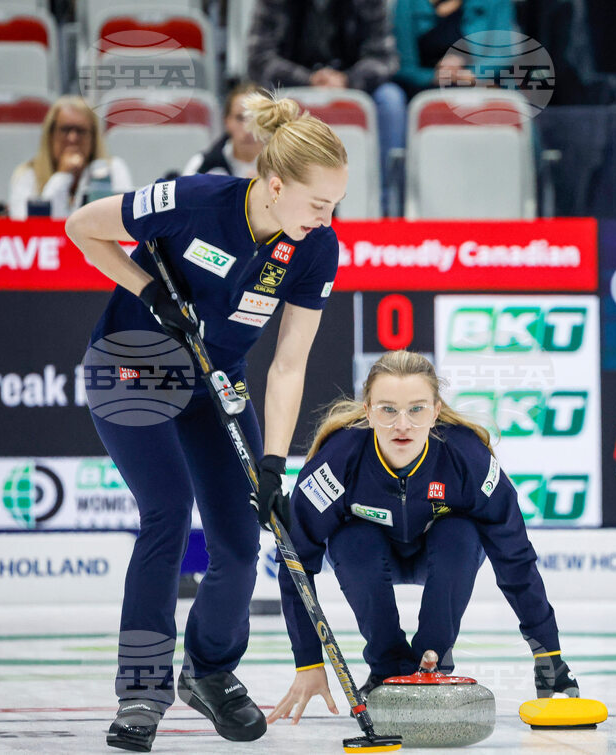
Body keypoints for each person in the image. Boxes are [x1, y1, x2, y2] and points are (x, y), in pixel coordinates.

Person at [64, 91, 348, 751]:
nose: (327, 218)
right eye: (318, 203)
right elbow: (82, 226)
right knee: (167, 511)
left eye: (335, 204)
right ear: (275, 186)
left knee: (242, 538)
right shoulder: (193, 200)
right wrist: (147, 290)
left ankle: (210, 670)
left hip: (213, 383)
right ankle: (142, 689)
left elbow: (288, 365)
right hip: (129, 367)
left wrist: (274, 464)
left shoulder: (316, 248)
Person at [266, 350, 580, 725]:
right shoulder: (336, 463)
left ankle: (433, 661)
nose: (402, 425)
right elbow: (295, 563)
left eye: (416, 409)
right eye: (387, 410)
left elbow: (515, 558)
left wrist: (549, 656)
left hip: (445, 552)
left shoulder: (469, 460)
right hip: (366, 555)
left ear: (435, 412)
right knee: (352, 540)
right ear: (368, 412)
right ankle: (386, 667)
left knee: (461, 532)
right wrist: (308, 662)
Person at [246, 0, 405, 214]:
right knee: (253, 101)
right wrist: (308, 79)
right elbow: (258, 59)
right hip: (291, 84)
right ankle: (270, 201)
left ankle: (387, 207)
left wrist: (347, 80)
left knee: (391, 100)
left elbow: (384, 58)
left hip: (354, 83)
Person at [8, 95, 132, 220]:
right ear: (51, 134)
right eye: (65, 129)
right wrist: (63, 175)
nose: (72, 138)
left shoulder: (113, 170)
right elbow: (28, 226)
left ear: (93, 138)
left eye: (81, 130)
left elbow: (124, 221)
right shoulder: (28, 174)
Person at [392, 0, 515, 99]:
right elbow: (402, 66)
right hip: (426, 90)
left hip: (482, 87)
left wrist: (471, 75)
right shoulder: (407, 4)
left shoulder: (495, 2)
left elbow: (503, 54)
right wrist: (436, 76)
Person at [182, 82, 264, 178]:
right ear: (226, 121)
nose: (247, 128)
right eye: (240, 118)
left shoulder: (279, 165)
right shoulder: (200, 164)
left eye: (255, 118)